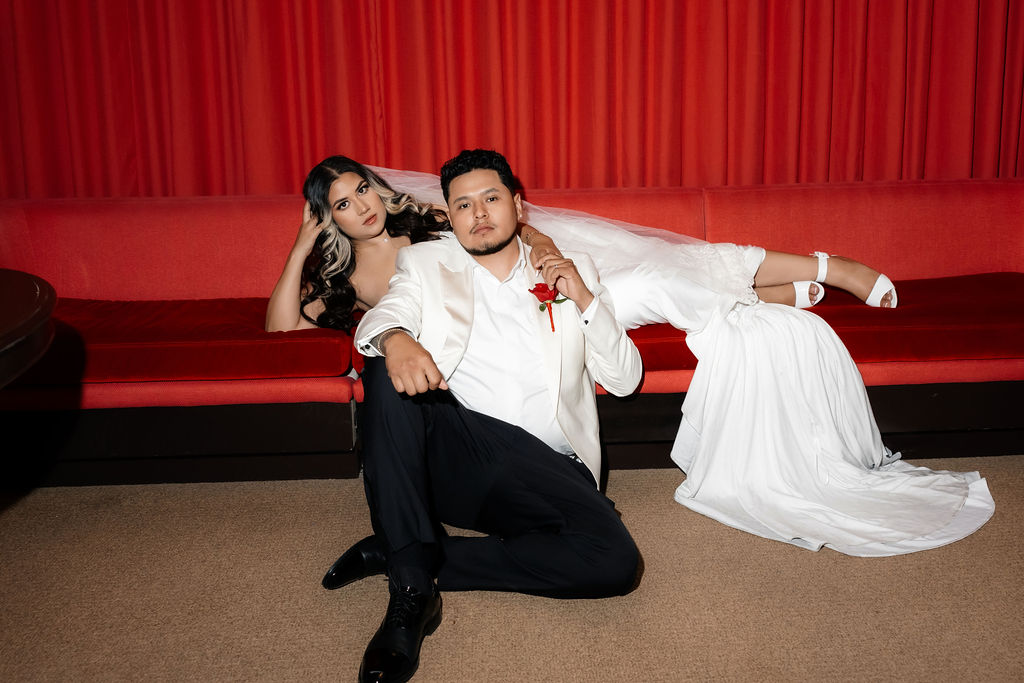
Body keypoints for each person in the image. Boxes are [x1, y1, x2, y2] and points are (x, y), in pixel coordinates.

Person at [268, 152, 993, 559]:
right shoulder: (346, 280)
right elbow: (280, 329)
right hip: (491, 364)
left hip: (551, 289)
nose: (360, 204)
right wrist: (301, 243)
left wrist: (555, 268)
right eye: (339, 203)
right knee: (668, 282)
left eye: (361, 187)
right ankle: (765, 295)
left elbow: (511, 237)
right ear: (328, 218)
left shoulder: (437, 218)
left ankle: (823, 271)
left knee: (663, 273)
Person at [333, 149, 643, 683]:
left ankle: (405, 550)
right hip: (464, 455)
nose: (478, 213)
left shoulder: (573, 272)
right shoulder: (426, 264)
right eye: (463, 205)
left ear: (518, 206)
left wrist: (584, 299)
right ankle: (411, 594)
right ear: (449, 218)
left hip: (551, 467)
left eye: (491, 198)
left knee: (615, 564)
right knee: (384, 365)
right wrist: (397, 336)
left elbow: (625, 377)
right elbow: (391, 310)